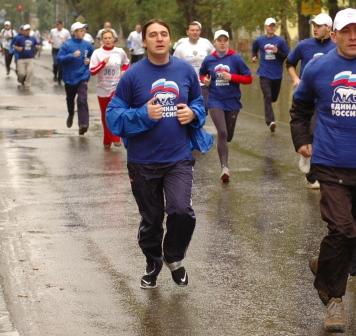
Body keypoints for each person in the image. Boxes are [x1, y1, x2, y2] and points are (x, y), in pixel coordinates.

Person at [106, 19, 211, 289]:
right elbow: (113, 116)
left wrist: (194, 113)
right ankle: (153, 262)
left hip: (178, 158)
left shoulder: (185, 71)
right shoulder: (132, 76)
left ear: (171, 38)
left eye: (164, 34)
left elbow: (199, 102)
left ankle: (174, 257)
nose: (159, 38)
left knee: (181, 211)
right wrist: (143, 114)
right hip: (142, 162)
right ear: (144, 41)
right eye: (153, 35)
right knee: (152, 220)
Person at [289, 8, 356, 333]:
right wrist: (302, 139)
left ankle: (325, 266)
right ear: (334, 35)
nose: (353, 36)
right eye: (346, 31)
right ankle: (332, 299)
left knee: (349, 238)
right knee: (342, 229)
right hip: (330, 162)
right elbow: (299, 107)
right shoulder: (318, 67)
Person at [287, 13, 335, 190]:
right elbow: (289, 63)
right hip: (307, 97)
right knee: (311, 130)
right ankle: (310, 166)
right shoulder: (304, 45)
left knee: (320, 131)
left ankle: (318, 171)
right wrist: (295, 79)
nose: (315, 28)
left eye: (320, 25)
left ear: (329, 28)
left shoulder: (337, 46)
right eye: (314, 25)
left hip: (327, 97)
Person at [200, 30, 252, 183]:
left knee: (228, 135)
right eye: (219, 40)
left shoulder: (236, 58)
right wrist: (206, 80)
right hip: (215, 100)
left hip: (233, 101)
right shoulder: (209, 60)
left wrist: (232, 77)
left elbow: (248, 78)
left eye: (225, 40)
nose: (222, 43)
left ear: (228, 42)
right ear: (214, 42)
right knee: (222, 132)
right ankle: (224, 167)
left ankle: (224, 154)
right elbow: (202, 74)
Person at [90, 29, 129, 149]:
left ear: (114, 39)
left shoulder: (119, 52)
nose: (107, 40)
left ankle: (116, 137)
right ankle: (107, 138)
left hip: (116, 88)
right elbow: (92, 71)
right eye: (105, 38)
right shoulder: (97, 53)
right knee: (105, 115)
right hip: (102, 89)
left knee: (116, 113)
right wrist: (102, 63)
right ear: (101, 40)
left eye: (109, 38)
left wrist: (124, 71)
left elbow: (127, 63)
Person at [252, 18, 289, 132]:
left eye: (273, 26)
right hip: (264, 73)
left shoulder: (280, 41)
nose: (271, 28)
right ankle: (270, 121)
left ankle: (270, 113)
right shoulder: (259, 40)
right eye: (269, 26)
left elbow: (286, 55)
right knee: (267, 96)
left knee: (273, 97)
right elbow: (254, 48)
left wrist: (277, 51)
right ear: (265, 27)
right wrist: (254, 56)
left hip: (277, 74)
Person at [57, 22, 94, 135]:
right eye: (80, 30)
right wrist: (71, 55)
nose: (83, 32)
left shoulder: (88, 45)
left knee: (82, 99)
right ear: (74, 32)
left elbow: (95, 56)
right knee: (70, 99)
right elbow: (59, 59)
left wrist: (90, 61)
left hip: (83, 76)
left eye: (84, 30)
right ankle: (71, 114)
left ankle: (83, 124)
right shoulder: (67, 45)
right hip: (69, 78)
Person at [173, 21, 214, 112]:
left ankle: (200, 124)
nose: (195, 32)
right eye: (192, 30)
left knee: (203, 109)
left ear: (200, 31)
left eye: (197, 30)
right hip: (186, 84)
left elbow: (215, 59)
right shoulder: (181, 47)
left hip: (203, 84)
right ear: (187, 32)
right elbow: (174, 65)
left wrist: (211, 75)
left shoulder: (206, 44)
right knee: (188, 108)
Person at [13, 24, 38, 89]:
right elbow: (14, 45)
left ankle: (27, 85)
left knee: (30, 72)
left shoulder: (33, 38)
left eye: (28, 30)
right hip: (21, 59)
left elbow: (37, 45)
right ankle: (20, 79)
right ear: (23, 31)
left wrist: (38, 47)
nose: (27, 31)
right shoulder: (19, 38)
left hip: (30, 58)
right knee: (21, 74)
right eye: (26, 30)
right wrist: (18, 48)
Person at [49, 20, 70, 84]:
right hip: (55, 49)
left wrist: (65, 41)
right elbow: (49, 38)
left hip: (63, 50)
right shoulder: (53, 31)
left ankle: (59, 78)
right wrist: (50, 41)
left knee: (61, 65)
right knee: (56, 64)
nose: (58, 26)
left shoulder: (66, 32)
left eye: (60, 25)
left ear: (62, 25)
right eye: (57, 25)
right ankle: (55, 75)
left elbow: (69, 40)